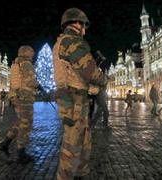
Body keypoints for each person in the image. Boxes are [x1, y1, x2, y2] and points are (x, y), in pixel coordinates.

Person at [53, 8, 106, 180]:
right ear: (77, 23)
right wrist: (104, 79)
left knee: (83, 140)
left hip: (71, 98)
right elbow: (89, 71)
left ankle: (80, 174)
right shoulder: (73, 41)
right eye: (84, 25)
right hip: (75, 99)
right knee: (72, 146)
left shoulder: (61, 41)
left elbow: (74, 72)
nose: (85, 29)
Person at [0, 45, 37, 164]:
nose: (33, 55)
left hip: (16, 96)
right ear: (27, 53)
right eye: (32, 53)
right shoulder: (26, 64)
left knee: (20, 122)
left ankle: (5, 143)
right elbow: (31, 81)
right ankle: (21, 152)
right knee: (26, 124)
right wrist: (38, 84)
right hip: (24, 98)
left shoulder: (16, 64)